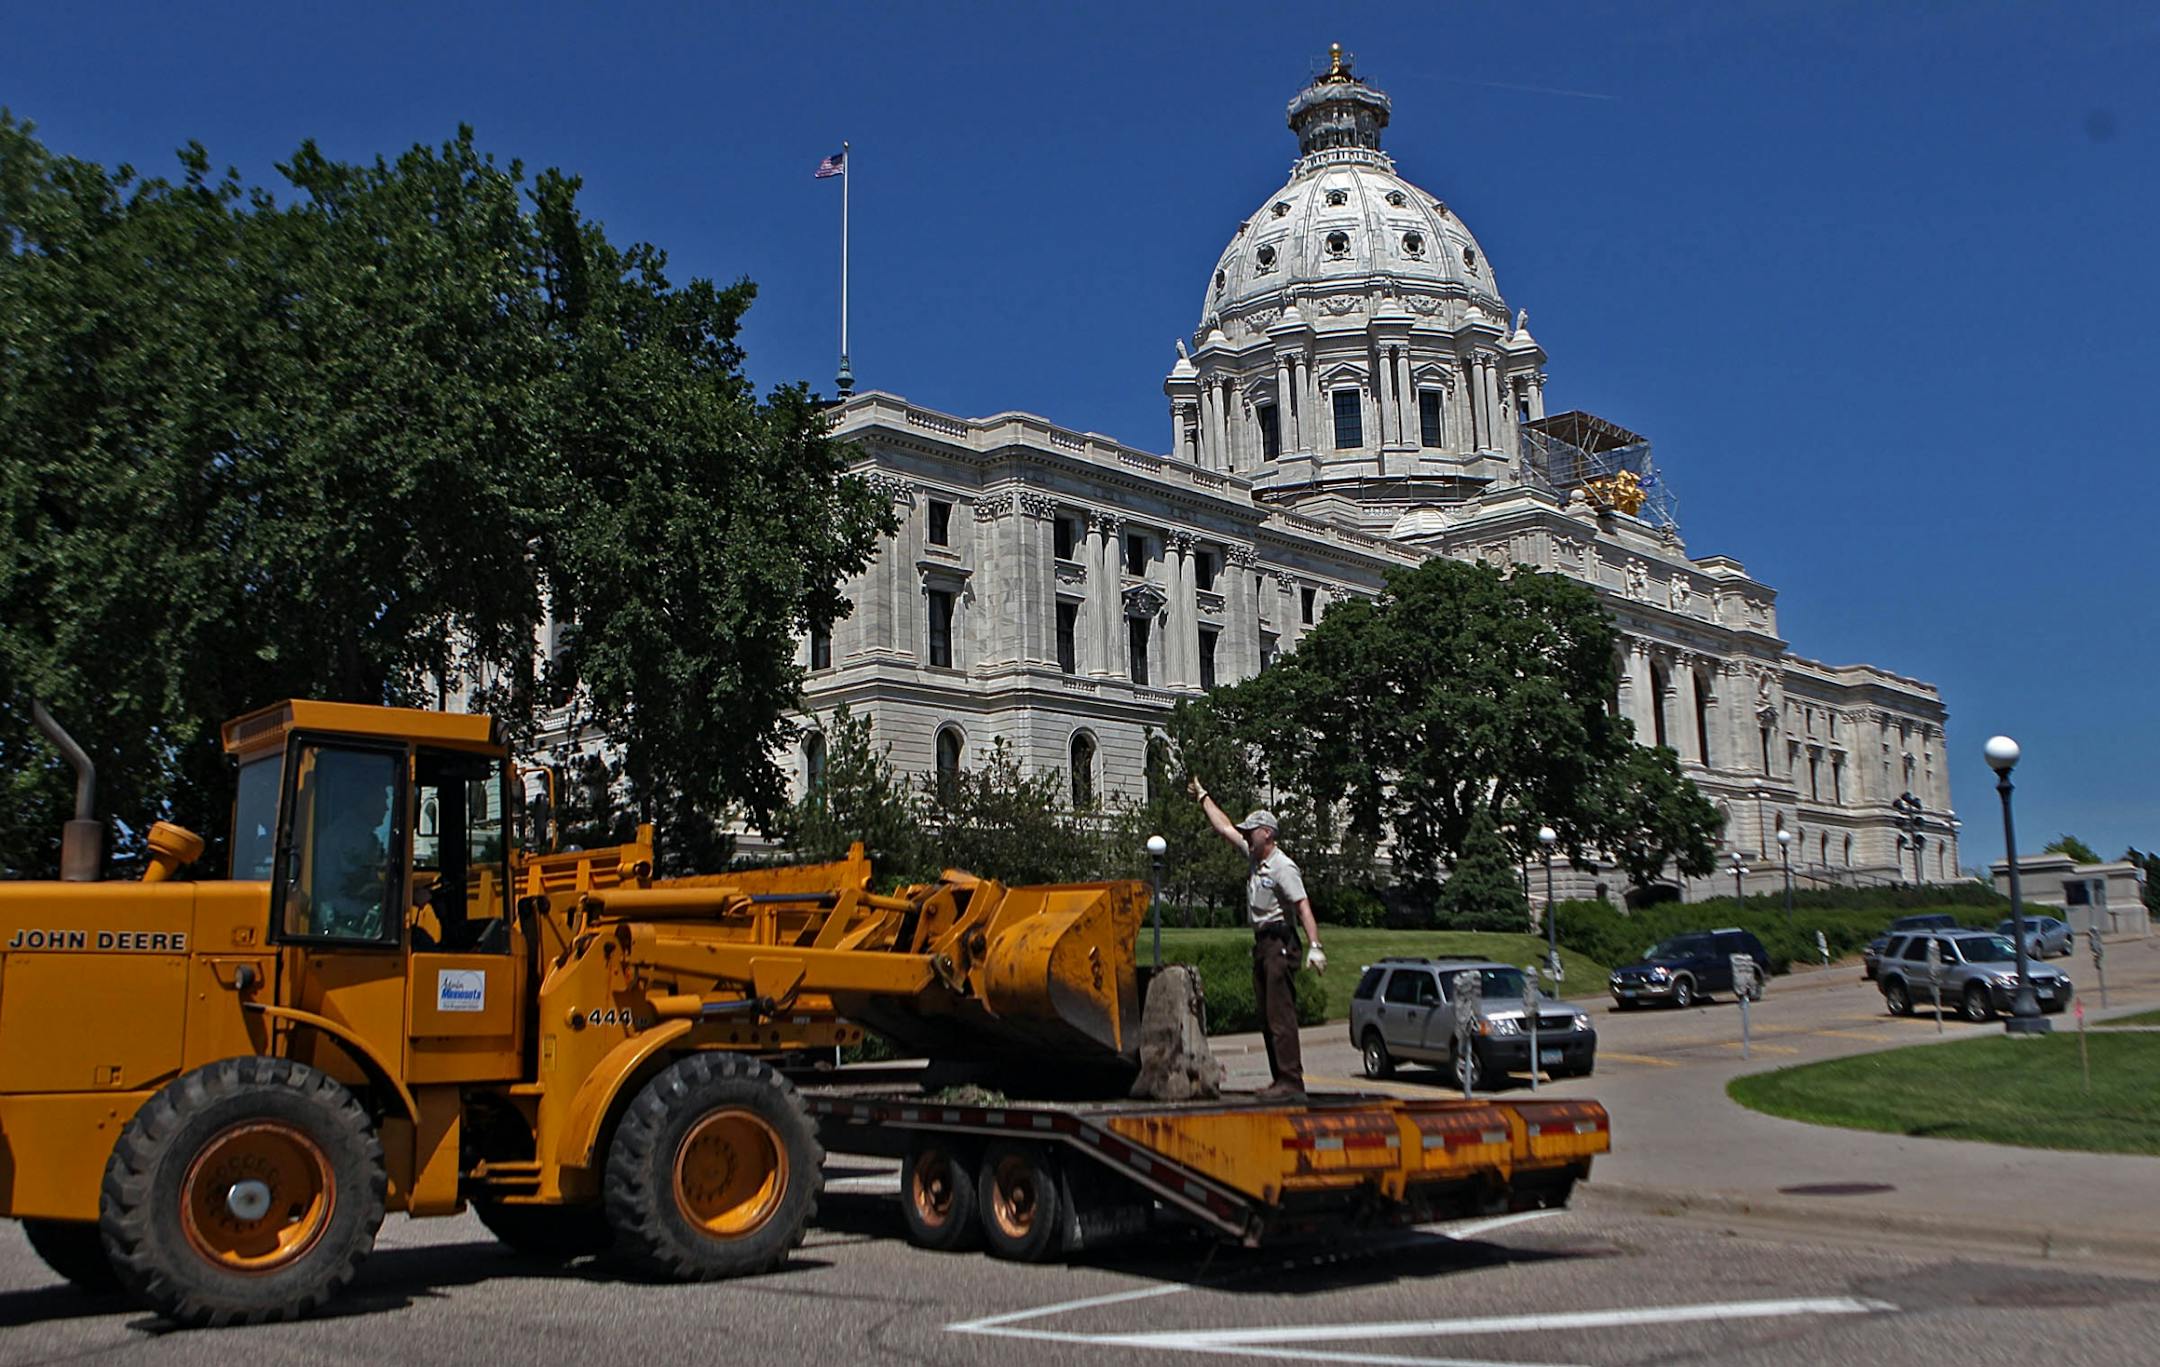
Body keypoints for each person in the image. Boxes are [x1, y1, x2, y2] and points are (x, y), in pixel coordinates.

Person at [1188, 777, 1325, 1100]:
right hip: (1263, 942)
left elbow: (1302, 906)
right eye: (1246, 832)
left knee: (1280, 1014)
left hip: (1280, 940)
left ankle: (1291, 1081)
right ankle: (1281, 1080)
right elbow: (1224, 829)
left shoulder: (1282, 867)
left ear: (1268, 833)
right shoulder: (1254, 858)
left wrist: (1316, 947)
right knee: (1266, 1014)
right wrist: (1204, 796)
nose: (1246, 835)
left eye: (1252, 831)